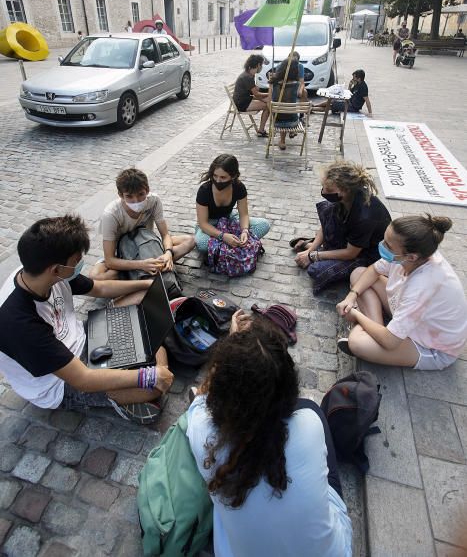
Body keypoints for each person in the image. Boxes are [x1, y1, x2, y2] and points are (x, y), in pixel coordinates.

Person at [186, 315, 352, 557]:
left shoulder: (204, 435)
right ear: (288, 386)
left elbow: (200, 397)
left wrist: (230, 349)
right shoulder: (309, 425)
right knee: (312, 407)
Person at [0, 215, 174, 422]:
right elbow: (82, 379)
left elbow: (98, 287)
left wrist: (147, 285)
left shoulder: (41, 272)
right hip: (58, 383)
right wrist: (150, 376)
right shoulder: (17, 323)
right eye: (75, 262)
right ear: (56, 269)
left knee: (143, 307)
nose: (80, 265)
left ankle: (144, 363)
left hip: (82, 336)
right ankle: (122, 393)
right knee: (152, 387)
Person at [336, 215, 467, 370]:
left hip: (432, 348)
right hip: (410, 314)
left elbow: (390, 342)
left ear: (411, 257)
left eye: (388, 245)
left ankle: (372, 328)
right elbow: (374, 270)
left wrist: (356, 315)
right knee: (358, 274)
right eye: (384, 240)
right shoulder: (416, 255)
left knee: (358, 344)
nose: (382, 246)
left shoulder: (422, 286)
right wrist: (352, 295)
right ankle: (376, 327)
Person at [293, 160, 391, 294]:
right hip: (350, 242)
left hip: (366, 254)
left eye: (328, 189)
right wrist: (313, 248)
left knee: (316, 270)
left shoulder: (364, 215)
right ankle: (318, 246)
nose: (323, 191)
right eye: (323, 186)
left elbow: (351, 253)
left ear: (344, 190)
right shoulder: (344, 199)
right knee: (326, 208)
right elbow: (325, 223)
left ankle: (323, 249)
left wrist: (313, 256)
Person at [89, 168, 195, 287]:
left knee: (190, 241)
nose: (136, 201)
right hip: (124, 255)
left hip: (148, 246)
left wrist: (168, 253)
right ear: (120, 195)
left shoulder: (154, 201)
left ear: (147, 190)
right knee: (95, 277)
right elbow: (109, 260)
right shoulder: (111, 214)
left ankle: (145, 270)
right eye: (129, 196)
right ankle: (145, 270)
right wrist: (141, 264)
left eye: (141, 194)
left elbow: (165, 235)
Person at [195, 154, 270, 252]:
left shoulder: (239, 187)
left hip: (230, 219)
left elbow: (244, 215)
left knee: (264, 225)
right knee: (202, 244)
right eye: (215, 176)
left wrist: (245, 231)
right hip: (210, 224)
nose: (218, 180)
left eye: (223, 177)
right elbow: (203, 223)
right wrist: (223, 236)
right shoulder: (204, 190)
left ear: (233, 176)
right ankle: (233, 246)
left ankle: (227, 246)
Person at [268, 58, 305, 150]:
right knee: (289, 112)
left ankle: (282, 140)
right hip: (293, 123)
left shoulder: (273, 83)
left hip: (276, 122)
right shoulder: (296, 85)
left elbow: (269, 103)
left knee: (281, 112)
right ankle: (289, 134)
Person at [233, 54, 270, 137]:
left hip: (245, 99)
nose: (262, 67)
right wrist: (269, 94)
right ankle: (261, 131)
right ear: (258, 65)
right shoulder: (248, 77)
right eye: (262, 65)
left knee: (267, 101)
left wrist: (266, 95)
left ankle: (261, 130)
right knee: (268, 106)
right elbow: (256, 94)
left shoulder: (249, 74)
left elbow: (256, 91)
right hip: (242, 103)